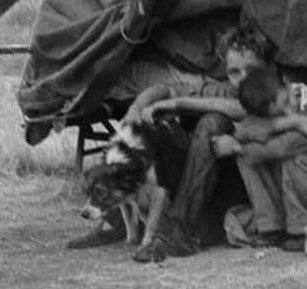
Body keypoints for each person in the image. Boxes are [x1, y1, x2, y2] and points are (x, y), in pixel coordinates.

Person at [84, 27, 275, 262]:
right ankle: (132, 218)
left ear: (270, 69)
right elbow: (165, 88)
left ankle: (177, 228)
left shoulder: (278, 93)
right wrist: (136, 108)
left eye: (253, 70)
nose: (243, 79)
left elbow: (243, 110)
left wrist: (178, 104)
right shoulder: (226, 90)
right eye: (234, 72)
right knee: (156, 128)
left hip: (250, 195)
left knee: (211, 122)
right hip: (208, 191)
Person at [215, 64, 307, 251]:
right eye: (278, 112)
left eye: (287, 102)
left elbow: (284, 147)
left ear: (288, 84)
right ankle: (271, 227)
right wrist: (287, 122)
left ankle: (305, 229)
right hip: (299, 189)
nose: (288, 111)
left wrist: (237, 145)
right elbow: (247, 128)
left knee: (291, 157)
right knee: (248, 156)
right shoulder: (270, 107)